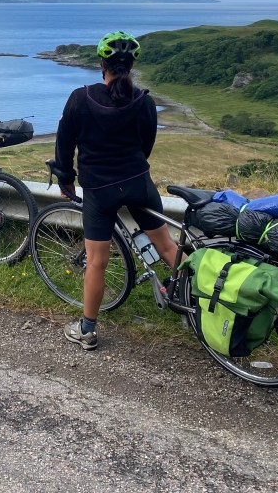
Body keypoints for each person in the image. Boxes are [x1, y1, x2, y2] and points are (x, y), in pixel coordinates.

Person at [54, 31, 177, 351]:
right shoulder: (145, 101)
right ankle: (204, 301)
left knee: (96, 262)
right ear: (132, 64)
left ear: (101, 64)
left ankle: (87, 330)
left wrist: (66, 177)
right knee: (166, 247)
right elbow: (145, 146)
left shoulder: (81, 98)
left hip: (99, 190)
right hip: (139, 183)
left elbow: (64, 145)